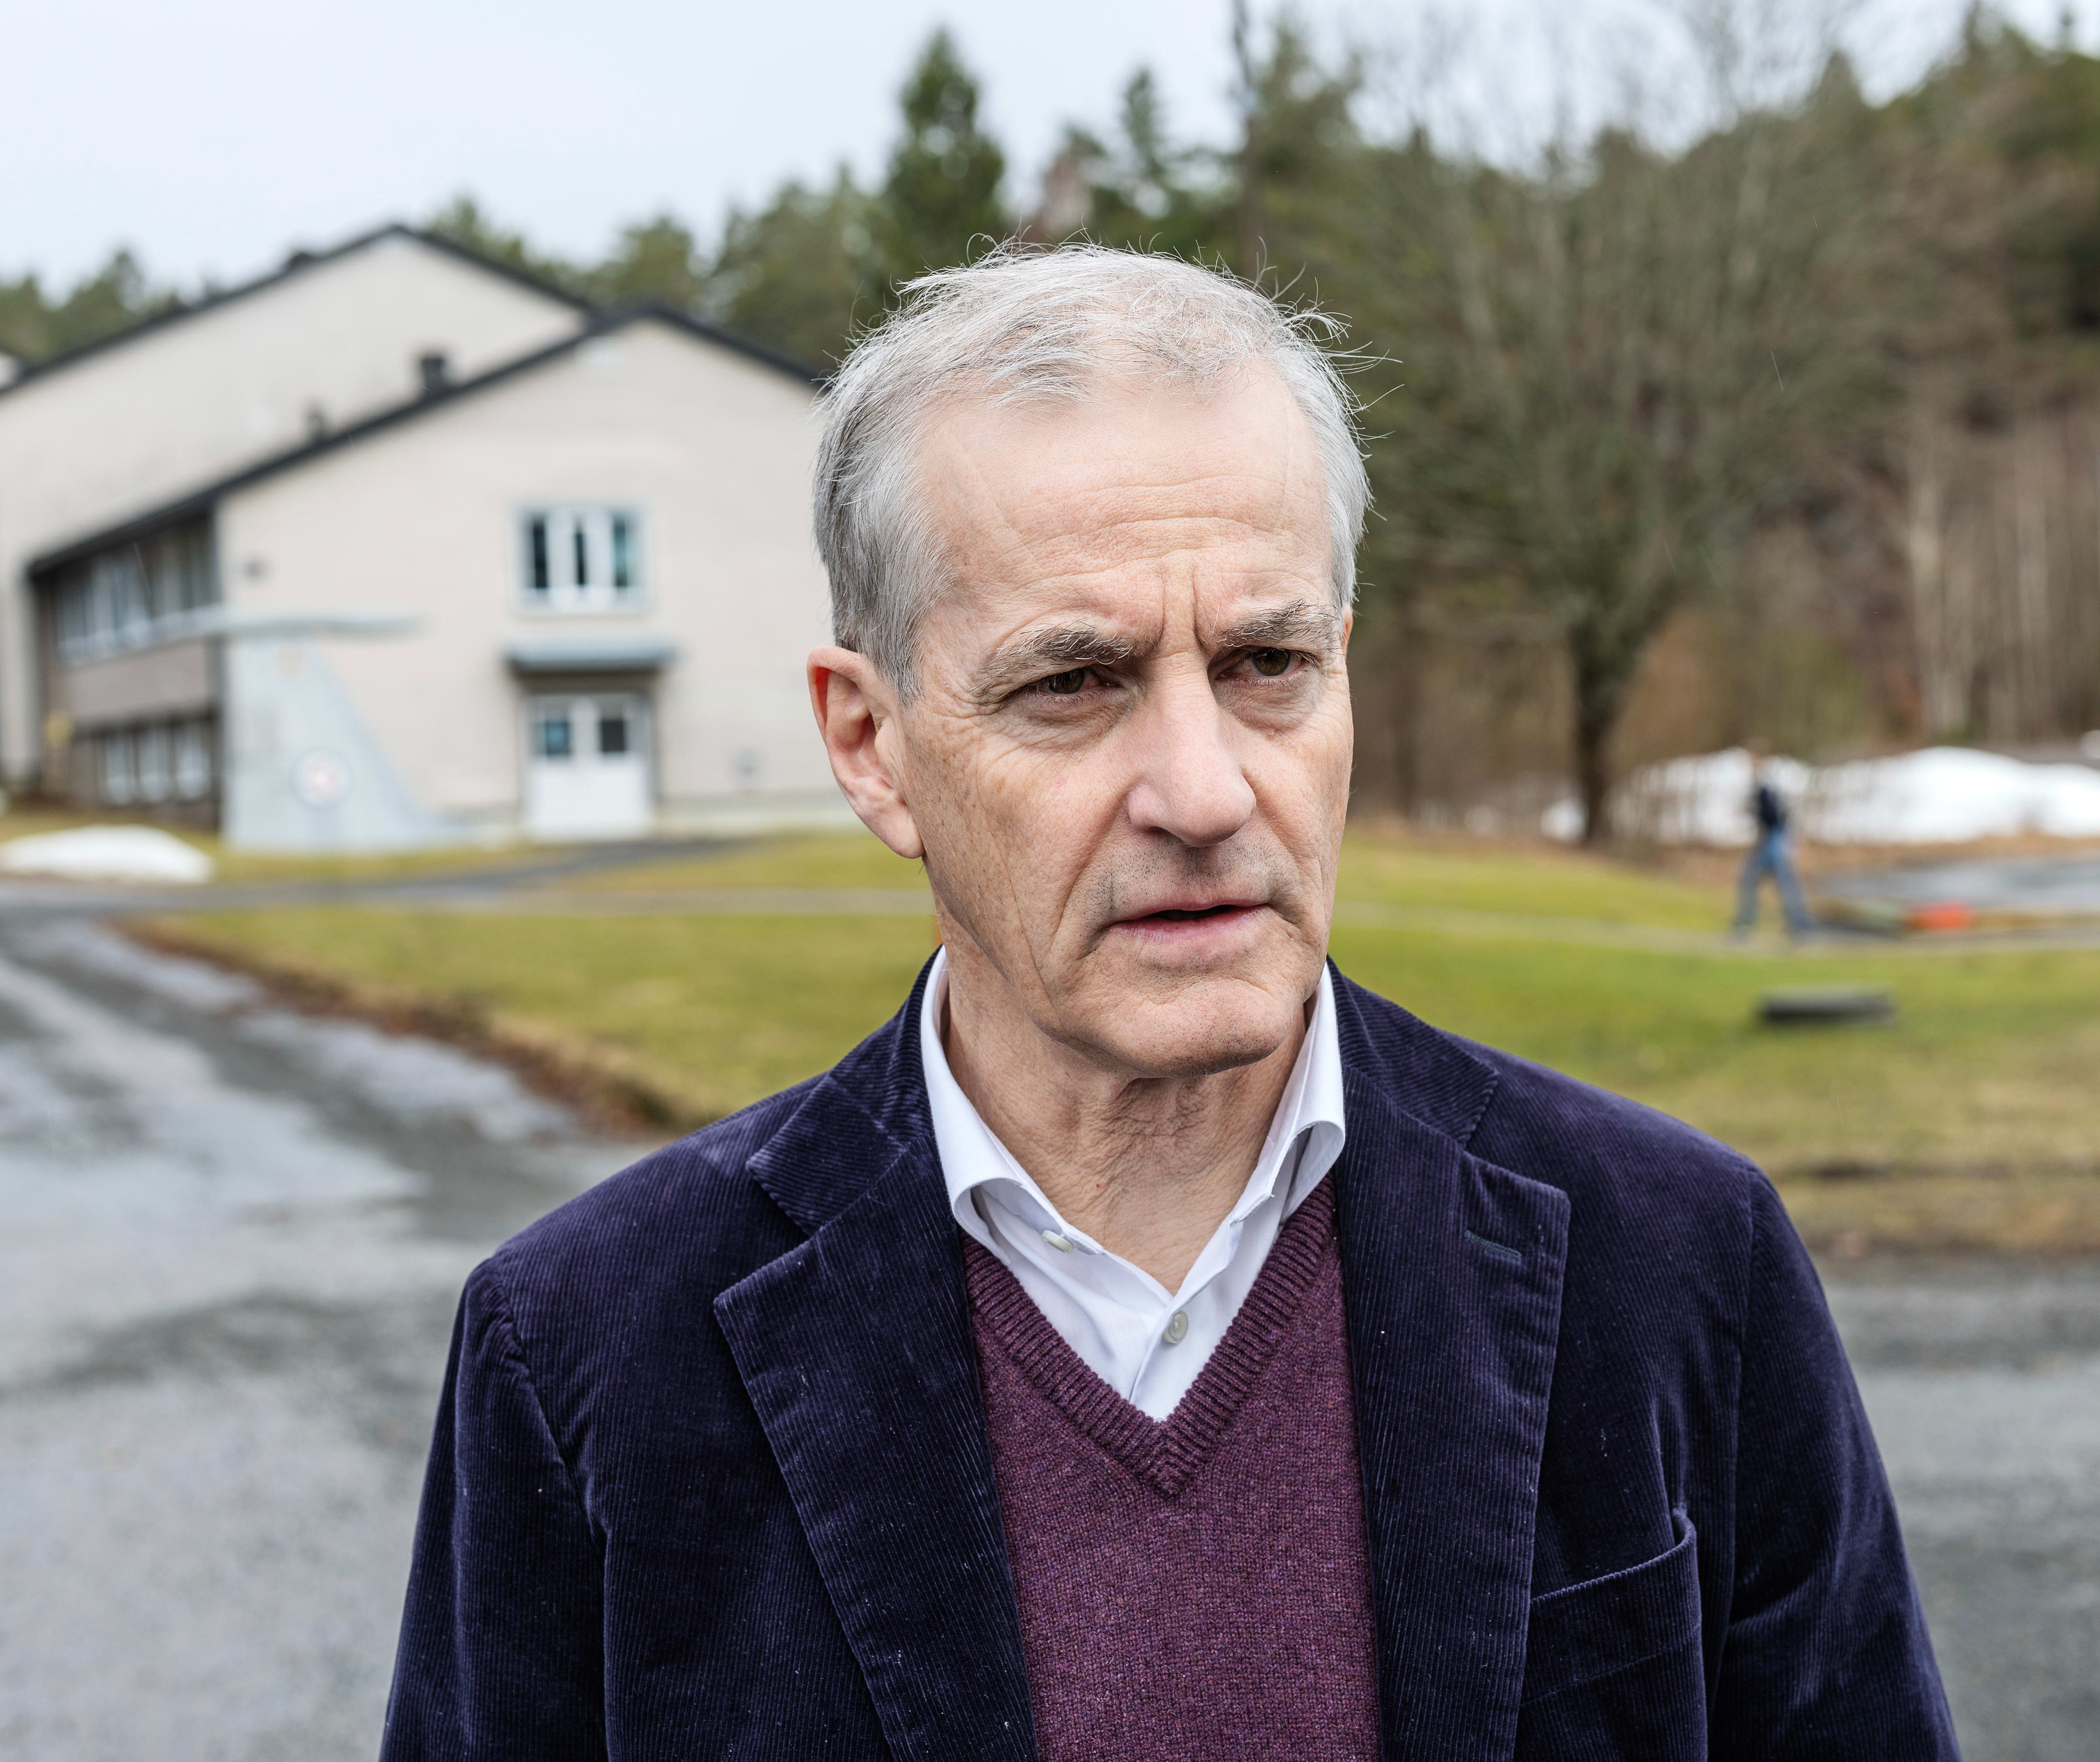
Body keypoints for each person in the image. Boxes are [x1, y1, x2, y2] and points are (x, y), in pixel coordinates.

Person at [381, 248, 1955, 1761]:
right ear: (871, 744)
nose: (1203, 791)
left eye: (1267, 662)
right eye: (1073, 683)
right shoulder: (588, 1354)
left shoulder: (1677, 1261)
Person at [1732, 746, 1813, 940]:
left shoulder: (1767, 788)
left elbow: (1777, 817)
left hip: (1773, 841)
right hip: (1770, 840)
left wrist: (1788, 841)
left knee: (1776, 884)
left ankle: (1799, 928)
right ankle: (1798, 928)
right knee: (1767, 884)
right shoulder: (1762, 788)